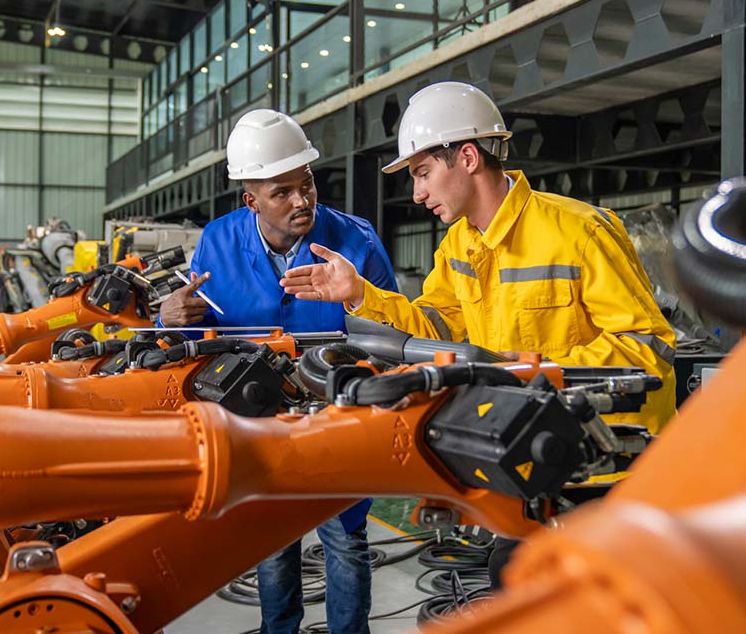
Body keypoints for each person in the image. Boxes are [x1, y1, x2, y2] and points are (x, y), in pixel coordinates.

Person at [279, 81, 677, 432]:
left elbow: (647, 349)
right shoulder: (458, 246)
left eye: (423, 173)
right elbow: (432, 330)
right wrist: (362, 294)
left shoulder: (579, 232)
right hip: (517, 439)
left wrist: (533, 369)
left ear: (468, 158)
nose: (417, 194)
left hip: (602, 454)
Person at [159, 109, 398, 634]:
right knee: (271, 545)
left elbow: (395, 329)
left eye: (307, 183)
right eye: (282, 190)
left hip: (339, 413)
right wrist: (173, 317)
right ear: (252, 201)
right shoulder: (217, 243)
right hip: (256, 419)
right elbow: (198, 333)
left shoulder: (355, 240)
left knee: (346, 541)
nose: (301, 200)